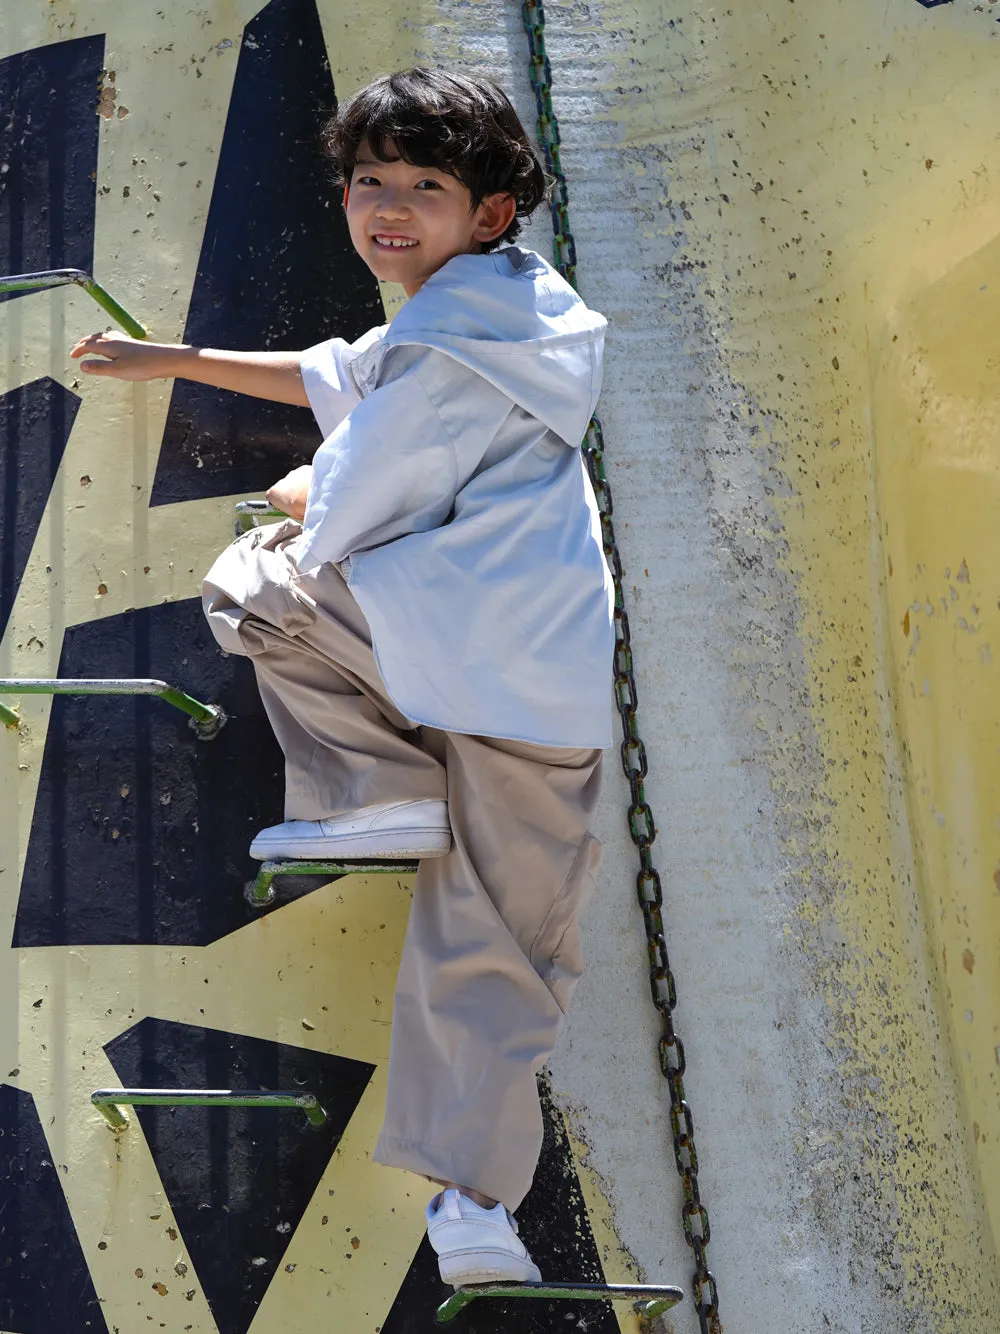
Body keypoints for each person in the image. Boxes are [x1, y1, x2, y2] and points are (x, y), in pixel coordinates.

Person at [70, 67, 613, 1288]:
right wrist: (174, 358)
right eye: (372, 182)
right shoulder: (508, 314)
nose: (388, 208)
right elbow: (345, 369)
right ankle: (472, 1202)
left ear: (489, 210)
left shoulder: (445, 349)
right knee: (504, 942)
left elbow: (361, 476)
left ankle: (370, 782)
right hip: (541, 691)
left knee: (259, 576)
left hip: (431, 650)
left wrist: (297, 494)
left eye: (425, 187)